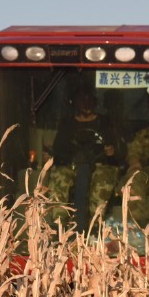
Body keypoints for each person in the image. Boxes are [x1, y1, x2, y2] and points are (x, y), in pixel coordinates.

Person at [47, 91, 123, 230]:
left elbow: (118, 152)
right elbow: (58, 149)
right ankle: (60, 226)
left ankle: (95, 225)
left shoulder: (105, 123)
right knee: (59, 177)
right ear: (76, 103)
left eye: (90, 100)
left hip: (100, 165)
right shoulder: (67, 124)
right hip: (71, 165)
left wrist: (111, 153)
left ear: (95, 103)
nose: (86, 104)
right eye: (83, 100)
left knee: (102, 181)